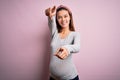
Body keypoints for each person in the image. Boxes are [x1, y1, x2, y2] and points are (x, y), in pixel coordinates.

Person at [45, 5, 80, 80]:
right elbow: (51, 21)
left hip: (70, 78)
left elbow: (77, 47)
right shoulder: (55, 32)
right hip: (52, 78)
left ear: (70, 17)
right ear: (57, 19)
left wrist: (66, 48)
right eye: (59, 17)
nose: (63, 19)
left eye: (65, 16)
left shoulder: (75, 34)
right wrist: (48, 14)